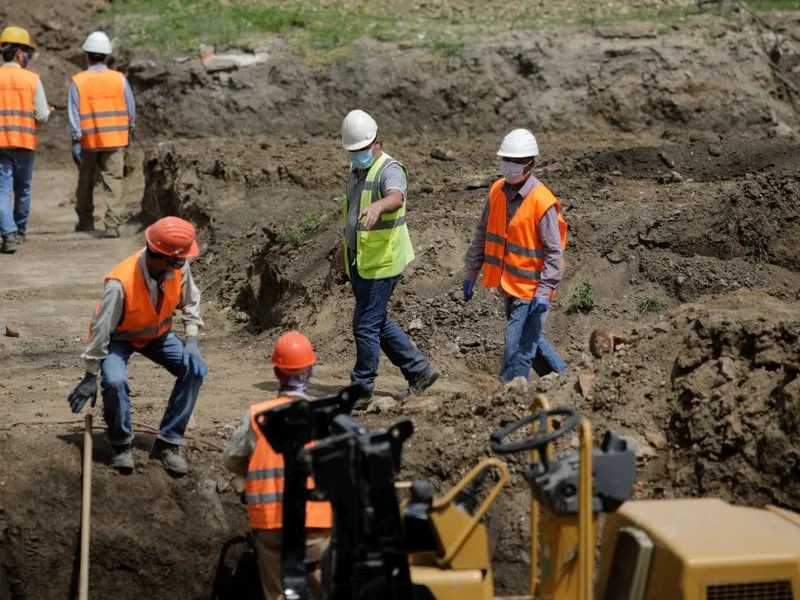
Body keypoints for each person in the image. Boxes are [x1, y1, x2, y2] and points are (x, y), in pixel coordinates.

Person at [67, 216, 207, 475]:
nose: (181, 264)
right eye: (177, 260)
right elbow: (101, 329)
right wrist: (90, 374)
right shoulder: (120, 283)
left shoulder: (178, 265)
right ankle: (120, 445)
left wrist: (192, 340)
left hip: (159, 336)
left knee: (195, 370)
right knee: (115, 381)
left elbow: (190, 301)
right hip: (119, 339)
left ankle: (168, 442)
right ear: (160, 255)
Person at [339, 109, 438, 410]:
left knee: (365, 324)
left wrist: (379, 206)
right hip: (363, 260)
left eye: (362, 150)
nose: (357, 156)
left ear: (377, 143)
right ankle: (419, 372)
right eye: (352, 152)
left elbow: (396, 196)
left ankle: (362, 387)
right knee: (377, 322)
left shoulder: (388, 169)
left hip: (383, 261)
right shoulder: (357, 171)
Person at [222, 331, 331, 600]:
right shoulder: (325, 416)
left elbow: (231, 459)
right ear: (311, 371)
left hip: (271, 521)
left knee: (280, 593)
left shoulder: (256, 415)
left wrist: (256, 470)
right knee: (320, 590)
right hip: (315, 520)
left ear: (276, 372)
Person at [463, 129, 569, 382]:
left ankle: (510, 396)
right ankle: (564, 381)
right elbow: (482, 232)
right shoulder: (497, 191)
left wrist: (544, 293)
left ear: (530, 163)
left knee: (517, 347)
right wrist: (471, 271)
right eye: (506, 160)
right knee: (531, 342)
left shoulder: (542, 202)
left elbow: (555, 253)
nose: (509, 167)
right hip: (508, 286)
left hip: (532, 292)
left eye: (517, 162)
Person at [68, 31, 135, 238]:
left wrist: (76, 139)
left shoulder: (78, 81)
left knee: (86, 181)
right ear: (106, 55)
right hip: (115, 139)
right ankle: (112, 225)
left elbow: (74, 112)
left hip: (87, 140)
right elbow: (130, 109)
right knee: (114, 180)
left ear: (87, 54)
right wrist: (129, 131)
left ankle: (86, 221)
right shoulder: (119, 79)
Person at [0, 26, 50, 254]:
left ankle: (8, 234)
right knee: (23, 190)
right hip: (24, 143)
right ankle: (19, 232)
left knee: (2, 191)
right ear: (20, 53)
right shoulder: (32, 80)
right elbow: (41, 115)